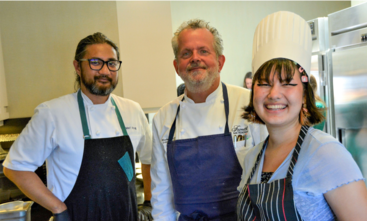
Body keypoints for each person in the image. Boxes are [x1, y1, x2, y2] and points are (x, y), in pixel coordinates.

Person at [237, 11, 367, 221]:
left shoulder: (326, 154)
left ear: (304, 95)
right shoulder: (252, 158)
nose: (274, 93)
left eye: (287, 83)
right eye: (265, 83)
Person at [3, 32, 153, 221]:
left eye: (112, 63)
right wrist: (58, 208)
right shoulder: (52, 113)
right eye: (96, 62)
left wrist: (149, 202)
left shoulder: (132, 110)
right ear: (77, 67)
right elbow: (15, 167)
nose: (105, 71)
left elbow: (151, 158)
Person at [150, 19, 268, 220]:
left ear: (220, 62)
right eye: (186, 53)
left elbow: (268, 178)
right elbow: (161, 193)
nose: (195, 58)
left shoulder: (250, 104)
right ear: (177, 66)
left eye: (203, 51)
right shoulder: (164, 117)